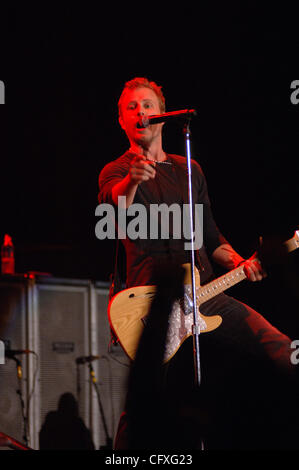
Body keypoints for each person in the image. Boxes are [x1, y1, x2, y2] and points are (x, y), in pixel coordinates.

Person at [98, 77, 298, 450]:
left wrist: (240, 262)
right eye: (131, 107)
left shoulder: (190, 171)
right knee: (144, 400)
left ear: (163, 115)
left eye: (147, 105)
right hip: (153, 302)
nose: (140, 111)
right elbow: (115, 208)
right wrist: (131, 181)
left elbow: (212, 238)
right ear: (122, 121)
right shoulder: (115, 170)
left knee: (280, 347)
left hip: (206, 293)